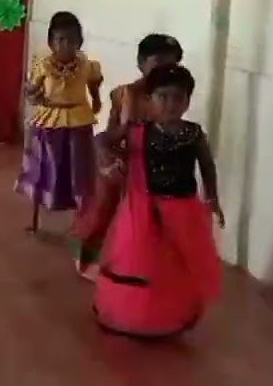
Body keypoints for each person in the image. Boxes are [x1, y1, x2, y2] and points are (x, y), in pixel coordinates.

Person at [94, 64, 225, 339]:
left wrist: (212, 198)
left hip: (182, 209)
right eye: (163, 97)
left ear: (187, 101)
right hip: (143, 209)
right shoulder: (136, 130)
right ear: (149, 100)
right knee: (140, 261)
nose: (170, 104)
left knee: (173, 264)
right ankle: (130, 315)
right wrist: (107, 158)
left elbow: (207, 166)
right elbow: (103, 140)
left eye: (178, 97)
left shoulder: (194, 134)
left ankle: (166, 318)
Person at [72, 33, 183, 277]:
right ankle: (85, 256)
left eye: (172, 65)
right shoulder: (125, 94)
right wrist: (115, 146)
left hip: (153, 165)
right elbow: (111, 134)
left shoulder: (174, 97)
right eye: (158, 63)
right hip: (122, 159)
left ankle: (142, 263)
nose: (165, 71)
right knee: (103, 208)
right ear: (141, 64)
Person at [17, 11, 103, 233]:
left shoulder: (87, 65)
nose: (66, 45)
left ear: (80, 41)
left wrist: (96, 100)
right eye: (60, 39)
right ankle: (35, 217)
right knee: (45, 167)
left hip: (79, 121)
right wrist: (34, 97)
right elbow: (32, 93)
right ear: (51, 42)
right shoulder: (44, 66)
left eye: (72, 39)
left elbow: (93, 84)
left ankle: (80, 222)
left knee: (79, 170)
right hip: (50, 122)